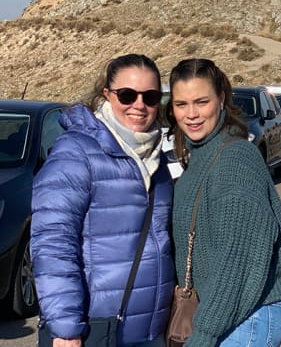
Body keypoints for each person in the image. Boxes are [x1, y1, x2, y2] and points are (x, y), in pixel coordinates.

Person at [31, 54, 175, 346]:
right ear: (106, 95)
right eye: (127, 95)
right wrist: (66, 327)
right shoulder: (77, 153)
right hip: (95, 331)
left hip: (150, 334)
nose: (139, 105)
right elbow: (53, 242)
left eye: (150, 97)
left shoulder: (157, 160)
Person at [167, 58, 281, 346]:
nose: (192, 114)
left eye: (201, 101)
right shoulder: (201, 154)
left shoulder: (234, 159)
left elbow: (237, 257)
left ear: (221, 99)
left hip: (247, 315)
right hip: (230, 312)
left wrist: (205, 334)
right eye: (181, 104)